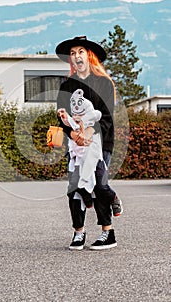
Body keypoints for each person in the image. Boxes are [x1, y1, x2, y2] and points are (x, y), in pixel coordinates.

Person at [56, 35, 123, 250]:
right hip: (76, 145)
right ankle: (78, 233)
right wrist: (73, 133)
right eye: (73, 53)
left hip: (100, 142)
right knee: (75, 187)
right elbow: (62, 115)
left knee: (98, 184)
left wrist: (88, 133)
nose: (76, 56)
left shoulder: (103, 82)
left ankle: (107, 233)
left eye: (81, 52)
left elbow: (106, 116)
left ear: (89, 56)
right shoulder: (66, 85)